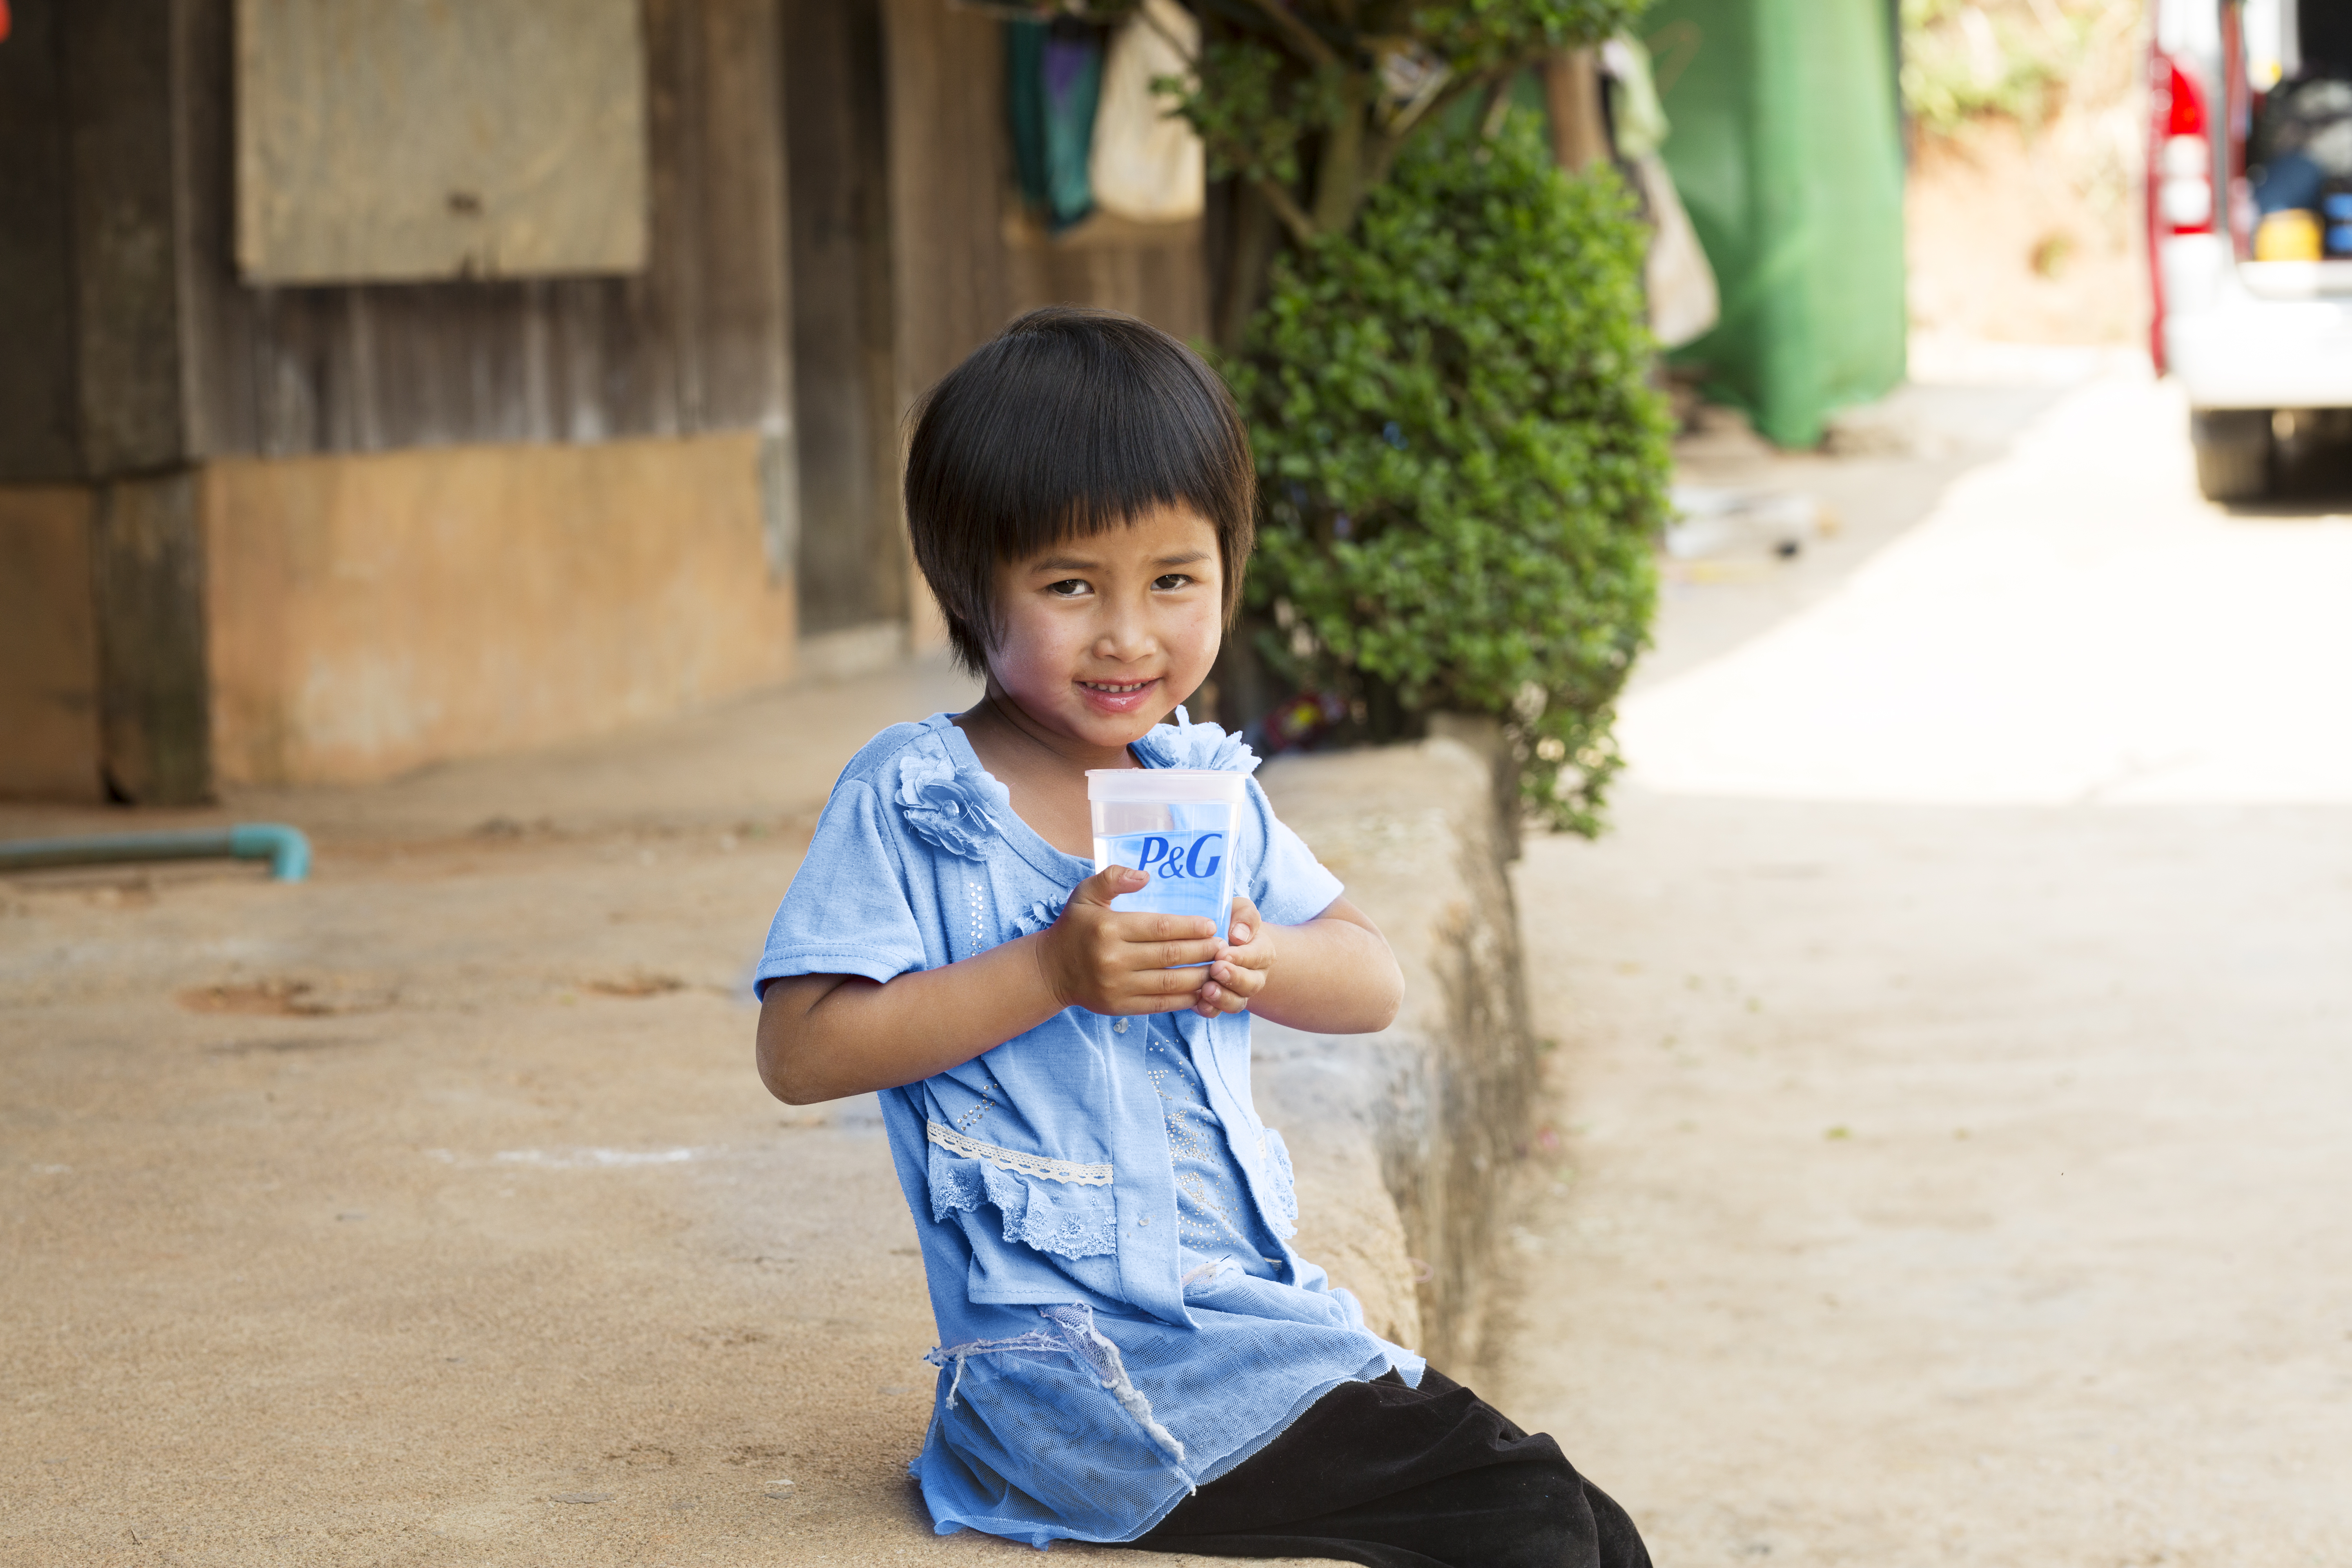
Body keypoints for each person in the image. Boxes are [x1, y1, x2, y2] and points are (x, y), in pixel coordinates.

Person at [752, 306, 1649, 1568]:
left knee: (1587, 1527)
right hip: (1077, 1384)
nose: (1129, 635)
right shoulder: (920, 801)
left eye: (1175, 581)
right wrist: (1048, 970)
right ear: (969, 586)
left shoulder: (1203, 789)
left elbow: (1373, 978)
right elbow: (800, 1049)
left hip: (1238, 1321)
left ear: (1229, 570)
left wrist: (1263, 960)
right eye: (1071, 586)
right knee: (1536, 1524)